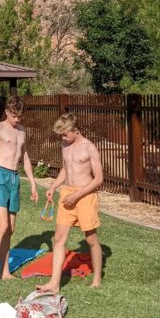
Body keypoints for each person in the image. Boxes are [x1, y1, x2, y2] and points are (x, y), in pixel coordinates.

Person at [38, 113, 103, 293]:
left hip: (86, 195)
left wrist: (78, 195)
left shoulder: (89, 148)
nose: (63, 137)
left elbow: (98, 179)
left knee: (90, 239)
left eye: (65, 134)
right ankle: (54, 284)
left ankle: (97, 277)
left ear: (75, 130)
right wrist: (54, 186)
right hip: (68, 194)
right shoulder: (64, 145)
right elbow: (66, 169)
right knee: (58, 239)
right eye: (61, 135)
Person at [0, 94, 38, 288]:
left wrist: (32, 183)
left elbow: (26, 158)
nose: (17, 120)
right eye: (14, 116)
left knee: (10, 229)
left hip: (14, 178)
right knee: (2, 226)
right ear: (7, 112)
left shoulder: (22, 131)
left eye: (20, 116)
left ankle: (5, 271)